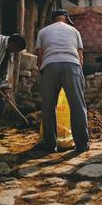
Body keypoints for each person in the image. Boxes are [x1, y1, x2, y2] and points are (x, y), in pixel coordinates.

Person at [36, 9, 89, 152]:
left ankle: (50, 145)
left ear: (52, 20)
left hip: (50, 65)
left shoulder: (43, 31)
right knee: (78, 105)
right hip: (72, 65)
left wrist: (42, 71)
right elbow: (80, 55)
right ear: (65, 19)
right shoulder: (74, 31)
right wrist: (78, 72)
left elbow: (40, 55)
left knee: (48, 107)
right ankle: (82, 145)